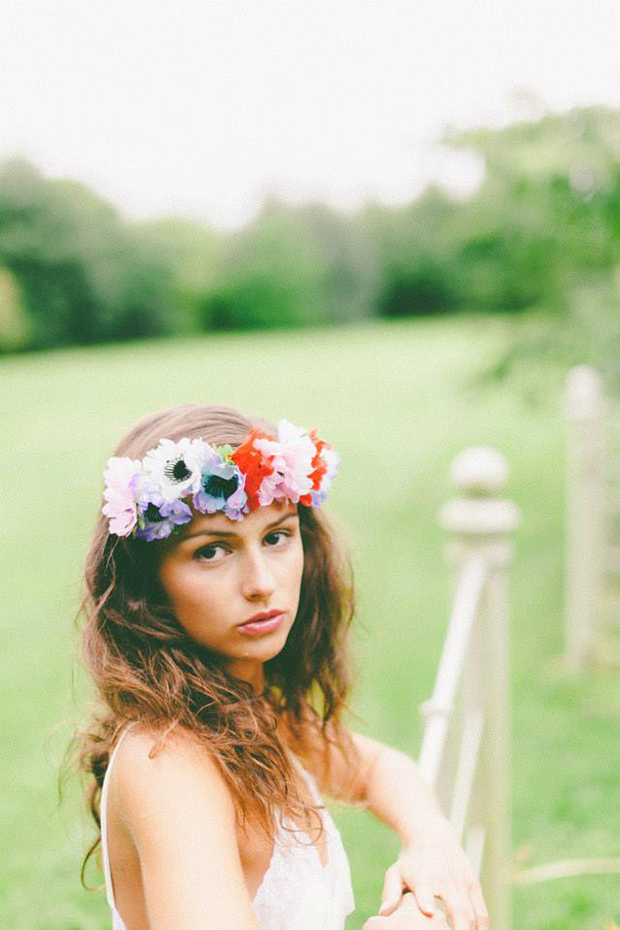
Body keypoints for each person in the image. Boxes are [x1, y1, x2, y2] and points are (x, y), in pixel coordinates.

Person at [71, 403, 488, 930]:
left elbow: (380, 768)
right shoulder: (169, 759)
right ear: (147, 584)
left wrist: (431, 844)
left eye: (276, 537)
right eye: (212, 552)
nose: (262, 582)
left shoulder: (250, 710)